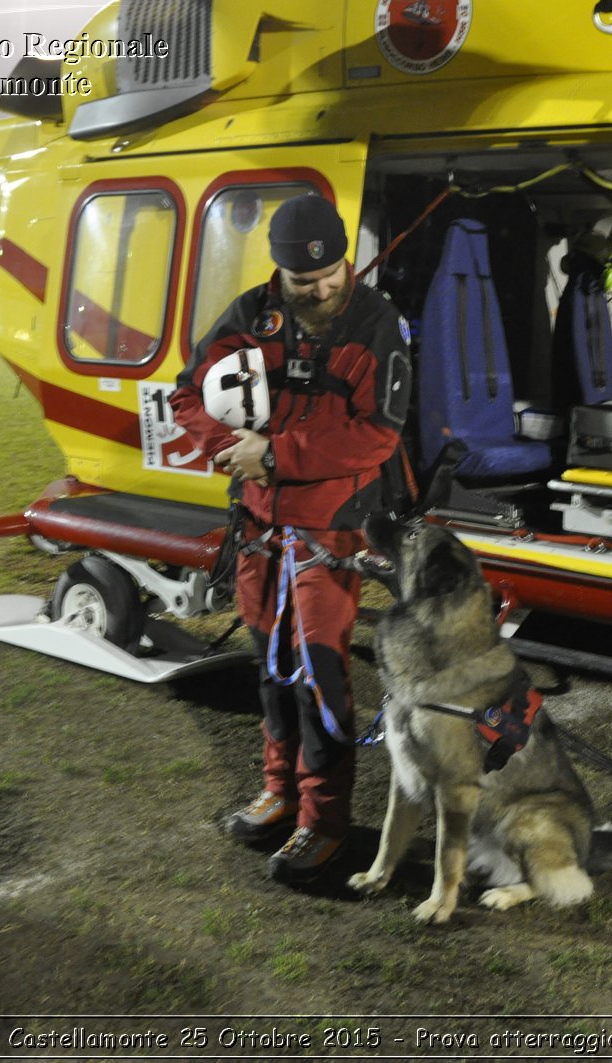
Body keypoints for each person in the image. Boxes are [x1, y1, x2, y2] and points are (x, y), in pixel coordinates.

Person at [170, 194, 411, 882]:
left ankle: (323, 822)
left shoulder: (378, 323)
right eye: (305, 282)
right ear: (280, 273)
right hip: (255, 532)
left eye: (332, 272)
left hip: (327, 535)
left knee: (319, 677)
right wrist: (230, 448)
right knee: (269, 671)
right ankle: (279, 791)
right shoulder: (252, 314)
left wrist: (274, 456)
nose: (323, 287)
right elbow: (189, 392)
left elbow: (378, 433)